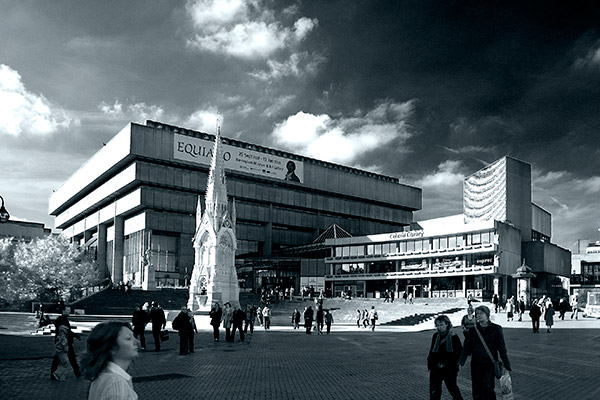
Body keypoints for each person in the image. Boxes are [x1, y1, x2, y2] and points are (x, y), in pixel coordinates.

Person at [459, 305, 512, 399]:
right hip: (476, 363)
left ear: (487, 314)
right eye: (477, 314)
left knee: (488, 388)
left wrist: (506, 364)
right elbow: (466, 347)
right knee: (476, 388)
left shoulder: (496, 329)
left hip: (490, 363)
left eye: (481, 313)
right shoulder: (472, 330)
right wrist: (461, 361)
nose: (479, 316)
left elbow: (501, 347)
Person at [81, 321, 139, 400]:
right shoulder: (116, 383)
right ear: (111, 347)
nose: (137, 341)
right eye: (128, 338)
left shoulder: (103, 375)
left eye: (134, 337)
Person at [427, 315, 464, 400]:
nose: (439, 327)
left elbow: (459, 352)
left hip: (449, 368)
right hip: (436, 368)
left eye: (441, 324)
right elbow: (432, 351)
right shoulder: (435, 336)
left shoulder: (454, 337)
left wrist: (451, 364)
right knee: (434, 391)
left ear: (447, 324)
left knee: (452, 388)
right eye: (438, 325)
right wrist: (431, 364)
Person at [50, 309, 81, 380]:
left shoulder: (62, 320)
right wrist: (75, 336)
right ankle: (77, 372)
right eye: (67, 310)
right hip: (65, 342)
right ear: (63, 311)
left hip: (64, 342)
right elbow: (66, 331)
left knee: (61, 358)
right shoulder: (62, 320)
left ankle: (77, 372)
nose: (69, 312)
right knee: (70, 358)